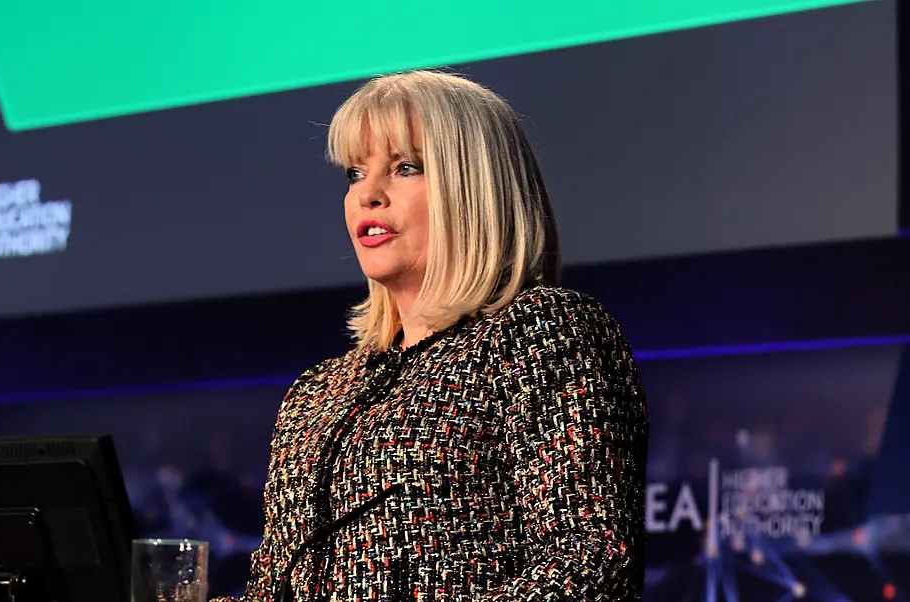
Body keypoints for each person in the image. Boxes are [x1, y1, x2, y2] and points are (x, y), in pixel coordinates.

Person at [215, 69, 648, 602]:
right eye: (354, 173)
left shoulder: (543, 332)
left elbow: (589, 568)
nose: (367, 195)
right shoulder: (316, 393)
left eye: (405, 168)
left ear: (475, 187)